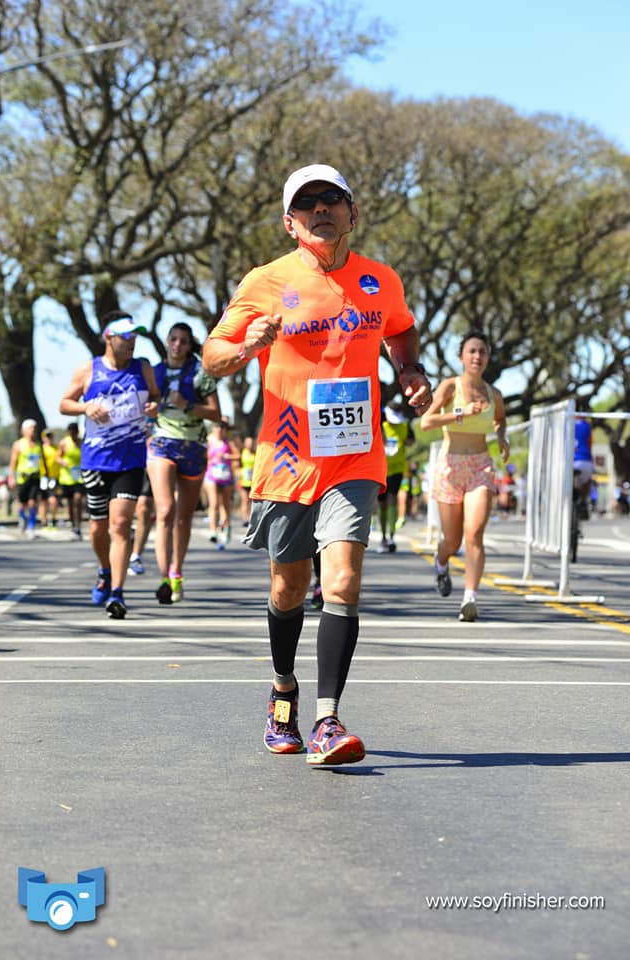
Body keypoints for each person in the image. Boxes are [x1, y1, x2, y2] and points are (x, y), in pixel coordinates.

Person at [203, 162, 431, 765]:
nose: (321, 210)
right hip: (286, 457)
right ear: (290, 223)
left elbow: (401, 332)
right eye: (307, 205)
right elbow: (213, 354)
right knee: (289, 588)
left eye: (332, 200)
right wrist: (247, 345)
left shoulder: (381, 281)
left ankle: (329, 721)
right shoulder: (266, 282)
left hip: (355, 454)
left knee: (344, 581)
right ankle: (284, 690)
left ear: (353, 213)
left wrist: (409, 369)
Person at [59, 310, 160, 619]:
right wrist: (85, 407)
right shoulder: (89, 370)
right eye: (126, 337)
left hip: (130, 460)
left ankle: (116, 593)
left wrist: (154, 407)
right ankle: (104, 569)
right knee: (97, 528)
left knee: (120, 524)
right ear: (109, 338)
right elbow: (64, 404)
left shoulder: (142, 368)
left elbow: (156, 398)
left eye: (135, 337)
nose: (132, 343)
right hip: (95, 461)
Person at [420, 329, 509, 622]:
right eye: (471, 351)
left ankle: (470, 597)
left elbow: (499, 421)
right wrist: (461, 414)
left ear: (488, 358)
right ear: (461, 357)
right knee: (452, 541)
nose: (477, 356)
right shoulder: (449, 387)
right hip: (450, 467)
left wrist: (503, 439)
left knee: (475, 533)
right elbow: (426, 422)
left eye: (482, 351)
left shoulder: (494, 394)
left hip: (480, 467)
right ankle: (442, 561)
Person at [147, 321, 220, 603]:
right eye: (173, 339)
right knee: (165, 510)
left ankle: (178, 570)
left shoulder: (201, 373)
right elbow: (143, 408)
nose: (177, 345)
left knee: (183, 517)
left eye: (184, 341)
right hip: (161, 444)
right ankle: (164, 577)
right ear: (167, 341)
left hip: (193, 448)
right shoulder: (153, 373)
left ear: (190, 346)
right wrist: (150, 411)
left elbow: (216, 413)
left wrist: (187, 405)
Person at [376, 395, 410, 553]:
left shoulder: (404, 426)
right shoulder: (379, 424)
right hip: (380, 468)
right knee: (382, 503)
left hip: (396, 469)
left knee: (392, 500)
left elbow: (411, 440)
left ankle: (391, 536)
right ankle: (382, 536)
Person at [202, 419, 239, 549]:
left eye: (221, 428)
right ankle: (213, 530)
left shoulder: (228, 442)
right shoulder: (209, 440)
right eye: (216, 427)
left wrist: (227, 457)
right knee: (214, 503)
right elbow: (202, 454)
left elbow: (237, 455)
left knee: (225, 504)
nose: (218, 430)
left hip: (226, 476)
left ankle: (226, 527)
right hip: (211, 475)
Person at [8, 419, 43, 539]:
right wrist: (11, 477)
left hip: (35, 477)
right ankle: (23, 518)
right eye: (30, 428)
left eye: (34, 428)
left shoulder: (38, 444)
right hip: (23, 478)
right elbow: (13, 462)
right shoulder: (18, 444)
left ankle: (31, 527)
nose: (33, 430)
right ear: (24, 430)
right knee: (22, 504)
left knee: (33, 502)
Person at [57, 422, 85, 539]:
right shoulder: (64, 443)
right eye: (71, 432)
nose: (73, 434)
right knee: (69, 503)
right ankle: (73, 525)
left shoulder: (82, 442)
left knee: (78, 500)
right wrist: (62, 461)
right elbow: (57, 457)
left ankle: (78, 526)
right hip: (67, 477)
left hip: (79, 477)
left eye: (75, 431)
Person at [128, 473, 154, 575]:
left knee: (144, 506)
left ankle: (135, 556)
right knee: (120, 517)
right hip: (119, 464)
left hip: (144, 463)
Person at [39, 430, 61, 528]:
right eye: (47, 436)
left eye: (50, 436)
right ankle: (43, 521)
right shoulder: (40, 449)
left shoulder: (57, 448)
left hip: (54, 477)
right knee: (43, 500)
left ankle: (53, 519)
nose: (49, 438)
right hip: (43, 478)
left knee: (53, 500)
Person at [573, 413, 594, 518]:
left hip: (570, 461)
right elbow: (590, 443)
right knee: (587, 481)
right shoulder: (587, 426)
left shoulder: (567, 422)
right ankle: (583, 502)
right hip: (585, 460)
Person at [239, 436, 256, 526]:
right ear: (245, 444)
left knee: (251, 501)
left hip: (252, 481)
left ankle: (250, 518)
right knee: (244, 500)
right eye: (248, 442)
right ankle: (245, 518)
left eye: (251, 443)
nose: (250, 444)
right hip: (243, 480)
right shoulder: (242, 452)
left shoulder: (255, 453)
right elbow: (237, 465)